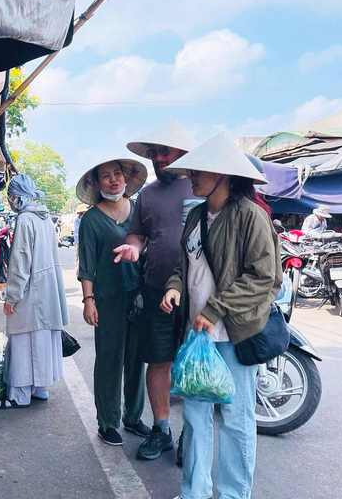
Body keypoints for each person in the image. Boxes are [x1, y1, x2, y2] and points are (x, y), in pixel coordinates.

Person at [160, 132, 280, 499]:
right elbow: (186, 263)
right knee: (195, 420)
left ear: (223, 175)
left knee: (235, 421)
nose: (191, 176)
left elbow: (265, 278)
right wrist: (174, 285)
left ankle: (232, 494)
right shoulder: (196, 215)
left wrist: (215, 308)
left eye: (199, 170)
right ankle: (195, 492)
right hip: (197, 334)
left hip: (234, 336)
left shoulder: (250, 216)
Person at [113, 120, 200, 461]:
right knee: (159, 360)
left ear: (182, 152)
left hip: (196, 293)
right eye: (153, 154)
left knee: (195, 364)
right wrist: (133, 248)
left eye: (163, 151)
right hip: (154, 289)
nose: (157, 158)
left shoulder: (201, 186)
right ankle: (161, 428)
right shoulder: (146, 194)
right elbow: (137, 234)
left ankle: (192, 434)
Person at [76, 157, 151, 446]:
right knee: (109, 360)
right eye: (105, 176)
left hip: (140, 296)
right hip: (108, 298)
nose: (113, 180)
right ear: (97, 184)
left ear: (125, 177)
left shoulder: (138, 210)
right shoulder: (92, 219)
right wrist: (88, 299)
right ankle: (107, 421)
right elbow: (87, 264)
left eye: (117, 174)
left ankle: (133, 417)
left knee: (136, 359)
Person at [0, 174, 69, 408]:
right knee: (41, 339)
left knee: (23, 341)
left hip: (30, 291)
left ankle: (18, 396)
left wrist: (12, 296)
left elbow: (20, 262)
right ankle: (40, 388)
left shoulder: (25, 220)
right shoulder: (45, 217)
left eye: (11, 196)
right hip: (46, 289)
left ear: (18, 197)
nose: (10, 200)